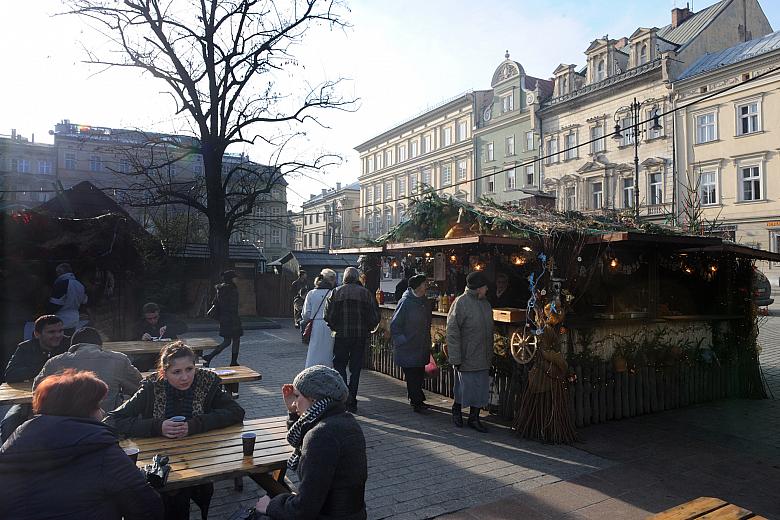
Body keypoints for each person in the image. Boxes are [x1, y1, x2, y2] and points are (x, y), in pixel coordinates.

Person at [105, 341, 245, 520]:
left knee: (185, 491)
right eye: (176, 372)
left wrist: (195, 425)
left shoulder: (206, 382)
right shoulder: (151, 387)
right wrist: (157, 426)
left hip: (200, 458)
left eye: (189, 369)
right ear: (164, 372)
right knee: (174, 495)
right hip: (158, 462)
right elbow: (113, 419)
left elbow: (236, 412)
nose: (185, 377)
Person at [0, 369, 163, 520]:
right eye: (98, 406)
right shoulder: (102, 450)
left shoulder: (13, 444)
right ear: (84, 410)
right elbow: (149, 509)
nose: (103, 413)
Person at [254, 365, 367, 519]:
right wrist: (293, 413)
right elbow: (305, 434)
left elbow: (304, 510)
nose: (294, 403)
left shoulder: (321, 436)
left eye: (297, 396)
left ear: (313, 398)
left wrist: (271, 505)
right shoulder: (345, 421)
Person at [33, 327, 142, 413]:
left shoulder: (54, 362)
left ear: (73, 345)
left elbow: (37, 391)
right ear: (99, 344)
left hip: (64, 424)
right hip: (105, 424)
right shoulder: (118, 360)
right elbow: (139, 386)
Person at [1, 315, 69, 442]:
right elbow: (10, 375)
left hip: (64, 397)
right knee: (8, 424)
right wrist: (46, 364)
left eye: (60, 331)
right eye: (51, 332)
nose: (58, 335)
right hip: (31, 398)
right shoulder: (25, 347)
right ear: (37, 334)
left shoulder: (69, 345)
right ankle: (9, 458)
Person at [324, 266, 380, 414]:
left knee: (339, 365)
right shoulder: (366, 294)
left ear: (345, 278)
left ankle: (344, 395)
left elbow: (328, 316)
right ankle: (352, 399)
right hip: (359, 337)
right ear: (357, 278)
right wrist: (366, 328)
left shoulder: (335, 292)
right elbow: (374, 317)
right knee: (356, 368)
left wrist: (335, 327)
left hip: (341, 335)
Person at [446, 271, 494, 433]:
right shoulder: (461, 303)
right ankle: (457, 410)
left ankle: (474, 417)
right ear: (479, 287)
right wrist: (455, 357)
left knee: (480, 388)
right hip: (466, 355)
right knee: (463, 387)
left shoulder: (486, 304)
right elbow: (452, 331)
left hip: (482, 354)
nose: (487, 288)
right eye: (485, 286)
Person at [390, 274, 432, 413]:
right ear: (418, 286)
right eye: (425, 284)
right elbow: (395, 325)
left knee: (418, 374)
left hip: (421, 345)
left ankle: (415, 397)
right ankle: (417, 402)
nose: (427, 286)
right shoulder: (405, 302)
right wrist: (403, 341)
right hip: (408, 346)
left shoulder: (424, 301)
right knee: (412, 374)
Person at [202, 270, 243, 371]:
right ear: (231, 279)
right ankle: (233, 361)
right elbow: (232, 305)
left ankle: (209, 357)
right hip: (232, 318)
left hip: (224, 318)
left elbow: (215, 302)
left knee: (227, 341)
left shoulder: (220, 289)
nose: (237, 279)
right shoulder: (231, 289)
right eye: (235, 277)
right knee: (235, 340)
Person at [134, 302, 189, 371]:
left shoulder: (167, 318)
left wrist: (168, 327)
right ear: (145, 317)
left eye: (155, 317)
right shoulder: (141, 323)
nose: (153, 320)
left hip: (170, 352)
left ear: (158, 313)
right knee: (137, 364)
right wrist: (141, 337)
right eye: (149, 319)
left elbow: (184, 328)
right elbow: (134, 338)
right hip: (151, 354)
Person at [302, 269, 336, 368]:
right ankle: (328, 370)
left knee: (314, 351)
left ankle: (311, 371)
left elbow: (306, 314)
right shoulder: (333, 293)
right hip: (330, 326)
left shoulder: (311, 294)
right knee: (328, 352)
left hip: (316, 326)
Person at [48, 263, 88, 335]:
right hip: (75, 318)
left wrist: (46, 314)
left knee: (58, 342)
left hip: (60, 319)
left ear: (60, 272)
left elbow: (55, 305)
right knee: (69, 342)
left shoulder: (61, 284)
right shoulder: (80, 285)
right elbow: (84, 302)